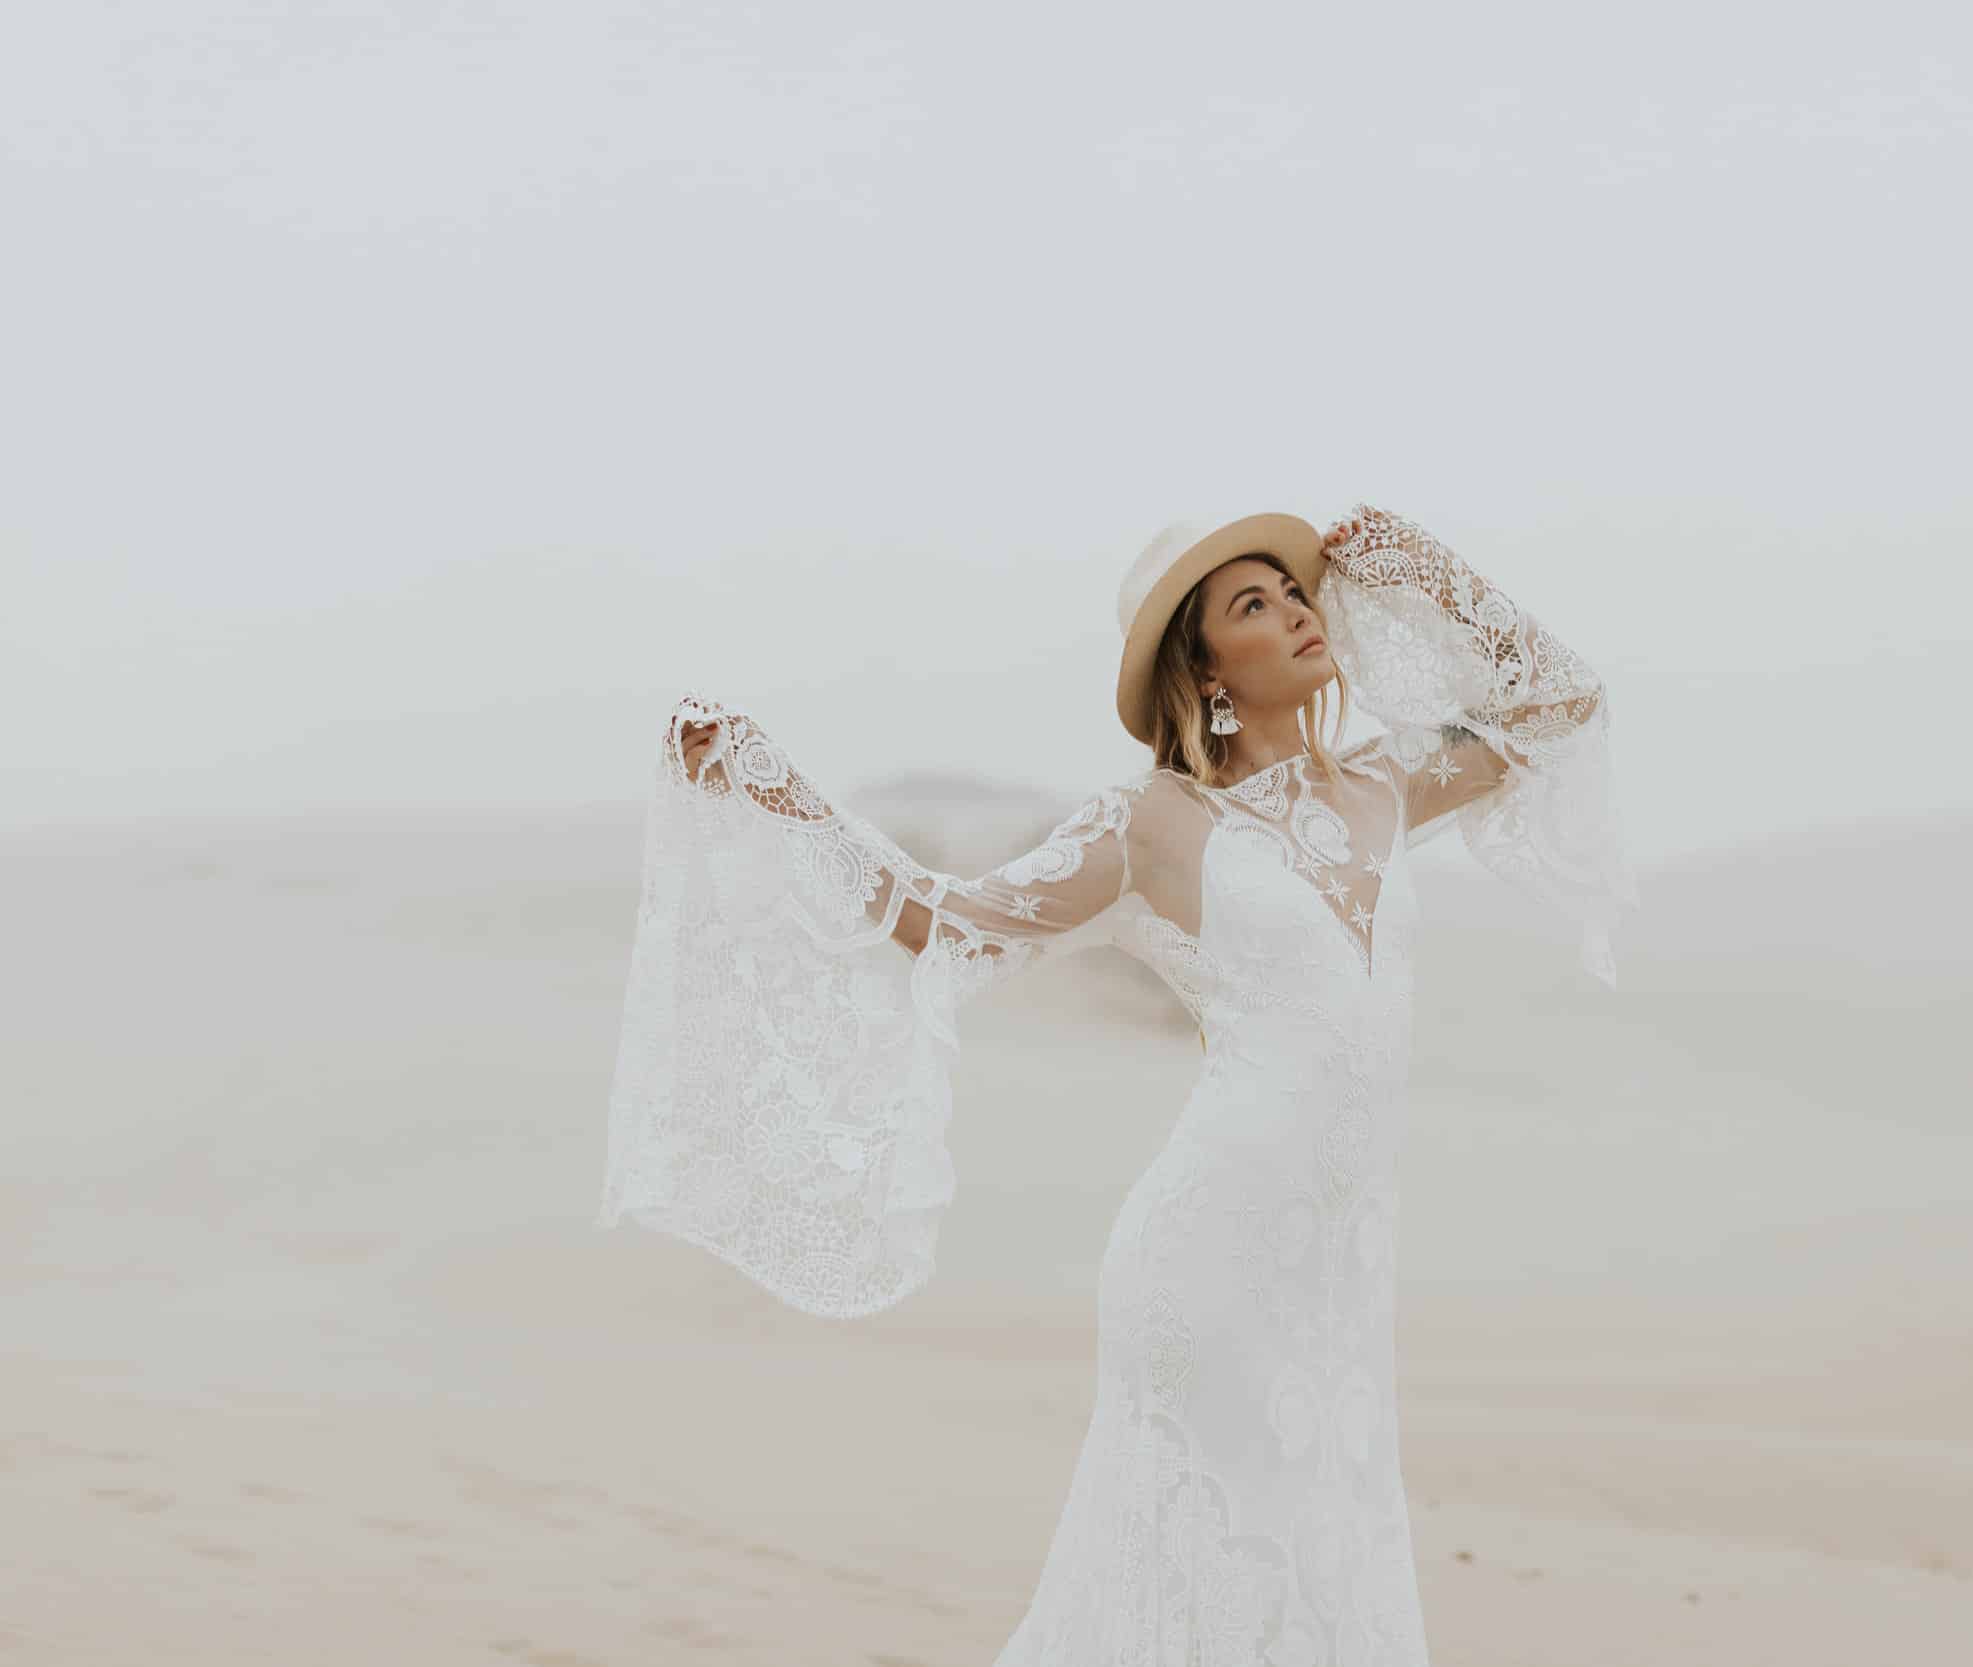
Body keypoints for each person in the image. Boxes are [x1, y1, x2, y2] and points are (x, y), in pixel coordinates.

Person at [597, 500, 1637, 1663]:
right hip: (1212, 1256)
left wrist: (1421, 569)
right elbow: (949, 922)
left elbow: (1562, 704)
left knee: (1321, 1547)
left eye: (1297, 593)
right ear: (1206, 668)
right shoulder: (1157, 822)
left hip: (1337, 1268)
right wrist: (772, 791)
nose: (1299, 613)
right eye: (1255, 604)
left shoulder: (1388, 785)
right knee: (1209, 1564)